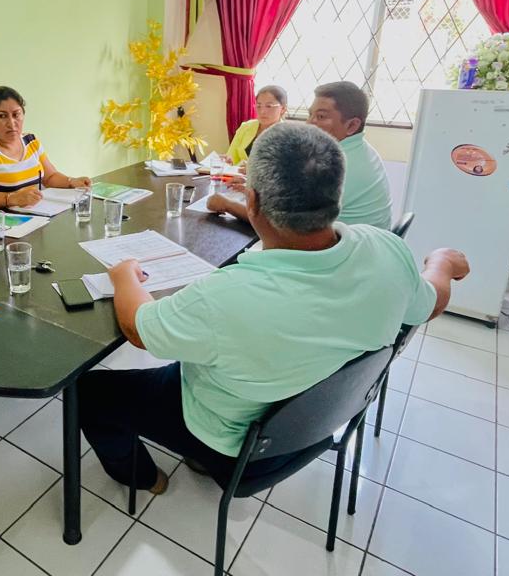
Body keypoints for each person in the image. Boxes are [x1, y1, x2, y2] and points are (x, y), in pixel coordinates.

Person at [79, 122, 468, 493]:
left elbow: (137, 328)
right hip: (315, 422)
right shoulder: (387, 250)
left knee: (90, 390)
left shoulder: (228, 295)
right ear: (337, 195)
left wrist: (124, 276)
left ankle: (142, 477)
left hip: (235, 447)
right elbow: (431, 302)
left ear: (251, 201)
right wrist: (442, 263)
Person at [208, 81, 393, 230]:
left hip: (341, 256)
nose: (309, 124)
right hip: (360, 246)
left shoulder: (336, 163)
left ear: (352, 125)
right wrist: (254, 186)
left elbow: (281, 222)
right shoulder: (361, 150)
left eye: (321, 117)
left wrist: (227, 204)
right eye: (310, 115)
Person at [0, 86, 91, 214]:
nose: (11, 123)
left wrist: (71, 181)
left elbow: (50, 177)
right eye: (2, 116)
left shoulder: (31, 141)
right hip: (4, 223)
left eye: (16, 115)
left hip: (40, 216)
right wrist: (11, 198)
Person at [224, 85, 288, 164]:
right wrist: (227, 161)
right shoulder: (246, 127)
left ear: (283, 109)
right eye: (258, 106)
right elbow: (231, 157)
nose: (262, 111)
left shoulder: (287, 135)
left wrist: (251, 169)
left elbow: (285, 168)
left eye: (269, 106)